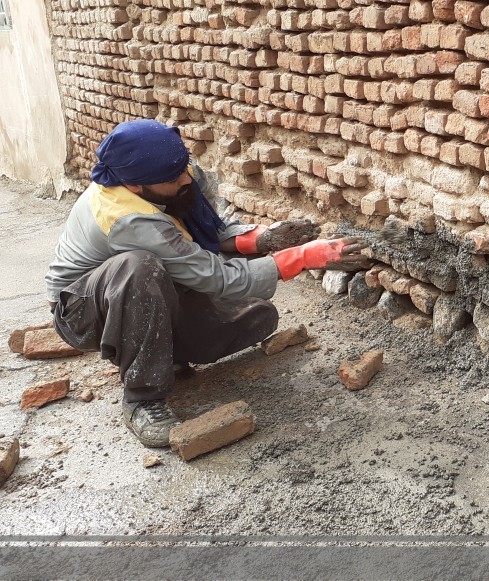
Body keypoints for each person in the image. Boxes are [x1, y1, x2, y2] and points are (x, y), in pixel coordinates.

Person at [44, 119, 370, 447]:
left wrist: (257, 239)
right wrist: (301, 257)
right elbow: (217, 277)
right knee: (138, 267)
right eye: (175, 178)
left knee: (258, 316)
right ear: (134, 187)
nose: (186, 178)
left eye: (184, 166)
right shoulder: (128, 220)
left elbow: (207, 226)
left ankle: (164, 352)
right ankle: (142, 398)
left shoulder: (165, 169)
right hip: (83, 311)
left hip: (152, 286)